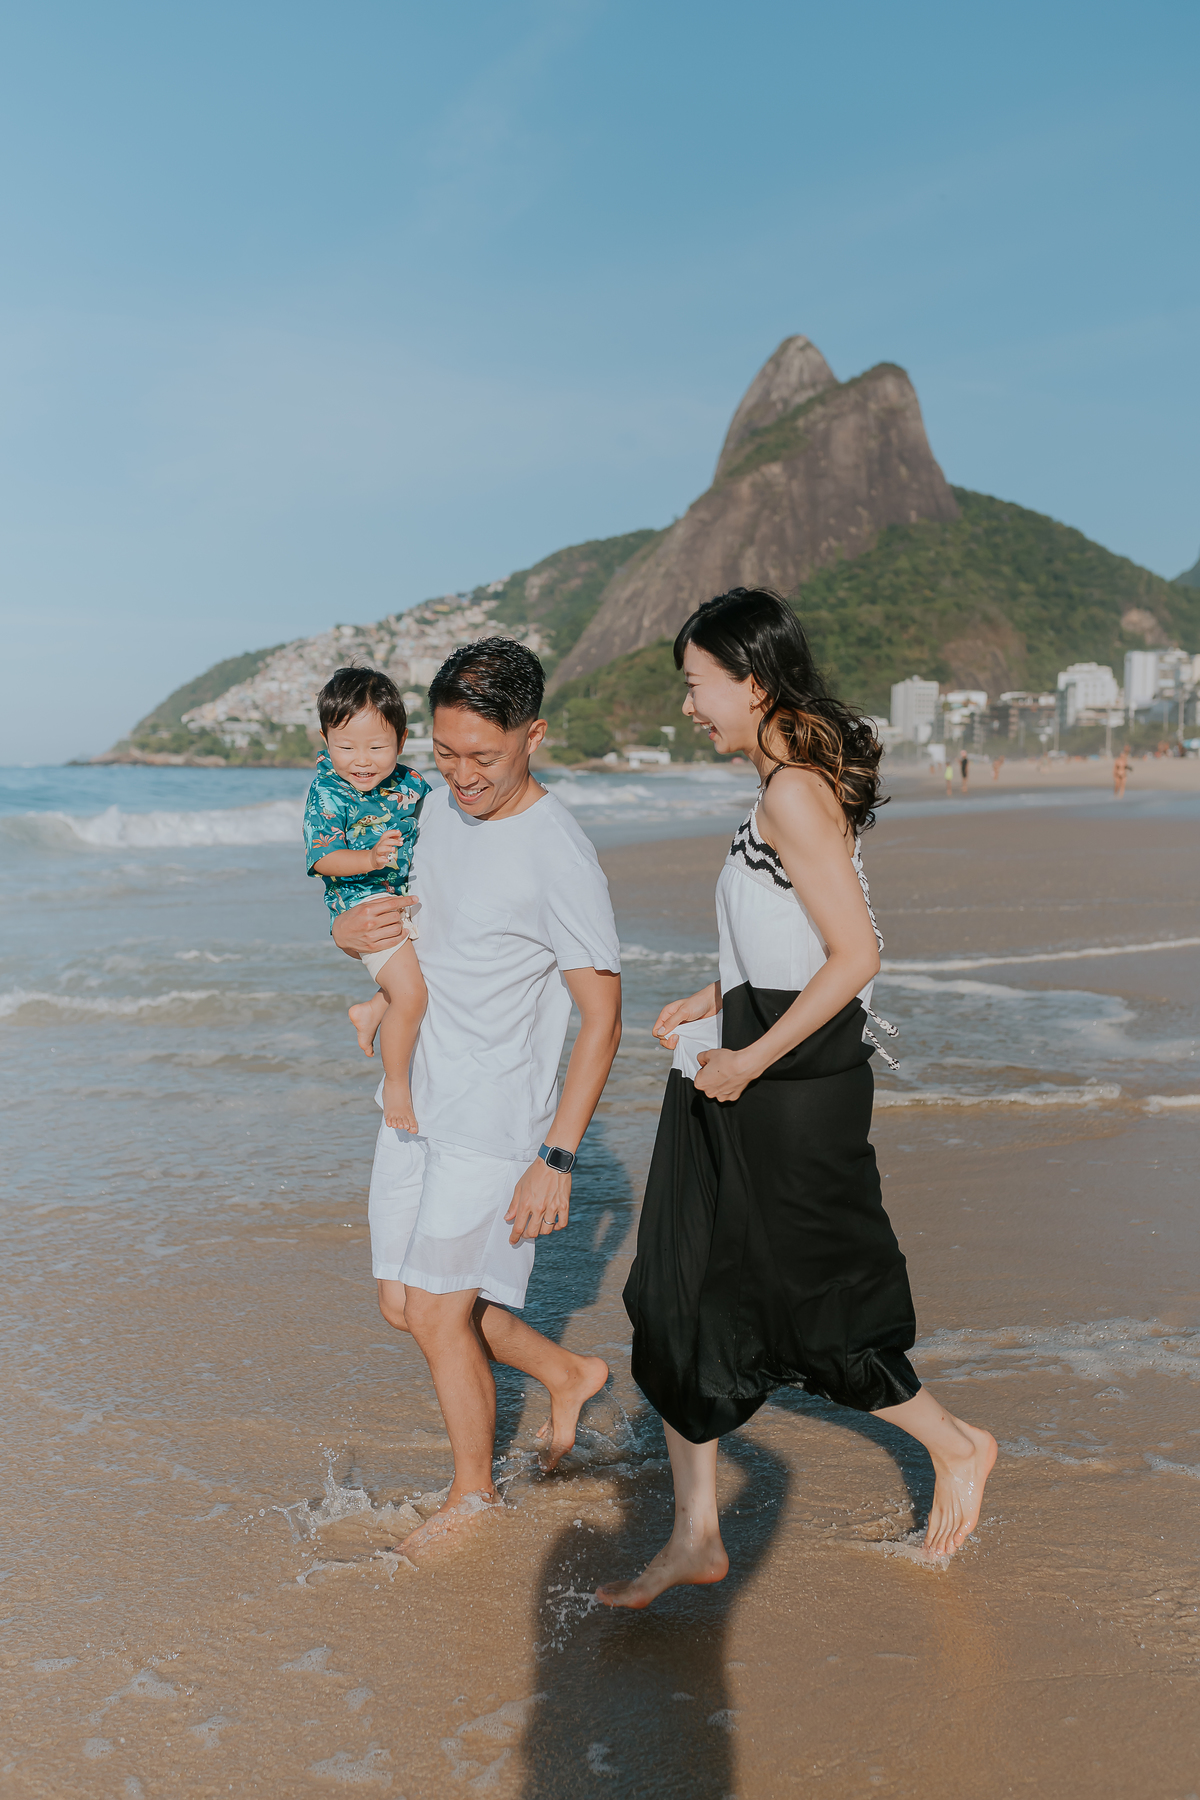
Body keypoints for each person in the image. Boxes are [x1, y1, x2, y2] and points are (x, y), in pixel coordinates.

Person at [597, 590, 995, 1611]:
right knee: (680, 1289)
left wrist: (749, 1057)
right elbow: (787, 932)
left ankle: (957, 1445)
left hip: (788, 1081)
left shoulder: (792, 793)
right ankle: (695, 1534)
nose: (690, 706)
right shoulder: (777, 785)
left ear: (752, 680)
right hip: (743, 1053)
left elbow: (858, 956)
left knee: (815, 1306)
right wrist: (716, 994)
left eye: (697, 685)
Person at [329, 639, 622, 1551]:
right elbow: (419, 931)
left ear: (533, 735)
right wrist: (356, 943)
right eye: (447, 753)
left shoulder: (558, 855)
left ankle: (472, 1496)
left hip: (497, 1118)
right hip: (419, 1100)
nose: (460, 776)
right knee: (401, 1304)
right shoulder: (437, 813)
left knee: (441, 1308)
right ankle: (569, 1372)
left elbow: (602, 1018)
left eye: (482, 758)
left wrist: (556, 1157)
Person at [304, 667, 431, 1134]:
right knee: (413, 996)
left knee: (424, 975)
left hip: (401, 899)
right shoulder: (327, 792)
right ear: (325, 739)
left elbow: (438, 825)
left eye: (377, 747)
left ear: (400, 740)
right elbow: (322, 859)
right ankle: (396, 1082)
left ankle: (373, 1009)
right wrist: (370, 858)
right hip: (362, 907)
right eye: (345, 747)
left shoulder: (412, 783)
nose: (361, 761)